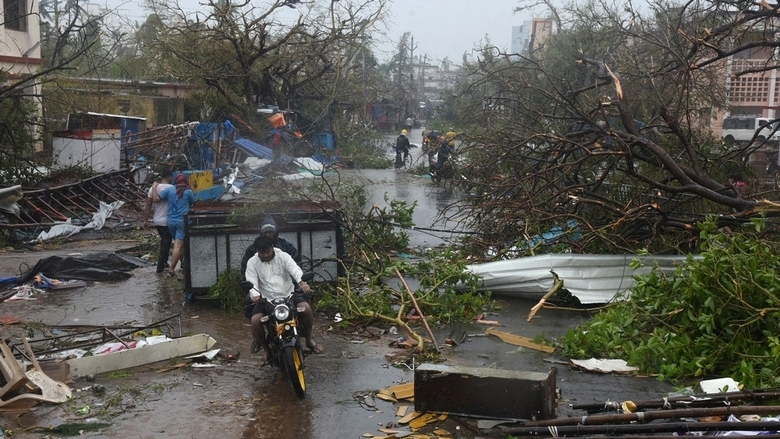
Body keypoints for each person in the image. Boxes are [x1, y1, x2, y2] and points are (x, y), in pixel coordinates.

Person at [245, 236, 323, 366]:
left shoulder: (284, 256)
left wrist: (302, 282)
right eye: (262, 253)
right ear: (257, 251)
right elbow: (251, 281)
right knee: (255, 321)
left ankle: (309, 340)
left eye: (267, 252)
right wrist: (254, 294)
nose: (265, 255)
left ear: (272, 248)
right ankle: (266, 350)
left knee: (307, 309)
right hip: (266, 300)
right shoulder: (252, 262)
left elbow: (295, 270)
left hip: (289, 295)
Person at [153, 173, 197, 278]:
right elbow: (194, 203)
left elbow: (155, 199)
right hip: (182, 222)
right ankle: (171, 270)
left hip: (170, 222)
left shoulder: (170, 190)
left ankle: (184, 264)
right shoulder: (188, 191)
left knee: (179, 245)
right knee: (178, 246)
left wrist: (154, 187)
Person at [142, 169, 173, 273]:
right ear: (170, 177)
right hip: (168, 221)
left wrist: (146, 220)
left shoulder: (152, 188)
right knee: (166, 241)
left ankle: (164, 263)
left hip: (157, 221)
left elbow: (148, 205)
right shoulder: (172, 188)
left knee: (166, 241)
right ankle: (160, 267)